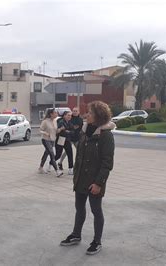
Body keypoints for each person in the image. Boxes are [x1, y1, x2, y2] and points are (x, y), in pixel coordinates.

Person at [60, 101, 115, 256]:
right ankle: (76, 235)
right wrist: (75, 175)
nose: (86, 115)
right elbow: (79, 156)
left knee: (96, 211)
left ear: (98, 116)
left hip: (95, 181)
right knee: (79, 208)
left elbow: (107, 163)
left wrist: (98, 183)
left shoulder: (106, 136)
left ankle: (97, 241)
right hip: (81, 179)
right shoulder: (85, 131)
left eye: (90, 113)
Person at [38, 108, 63, 176]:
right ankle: (57, 170)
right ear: (51, 114)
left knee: (46, 153)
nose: (56, 114)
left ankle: (40, 168)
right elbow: (40, 130)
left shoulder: (55, 121)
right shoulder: (45, 121)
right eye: (55, 113)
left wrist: (60, 129)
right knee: (52, 153)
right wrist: (45, 133)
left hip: (52, 140)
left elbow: (55, 131)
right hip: (45, 140)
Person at [58, 107, 84, 172]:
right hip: (69, 138)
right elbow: (68, 126)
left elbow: (80, 128)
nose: (74, 112)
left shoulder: (80, 119)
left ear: (79, 112)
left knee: (79, 151)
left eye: (76, 111)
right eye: (73, 111)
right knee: (67, 152)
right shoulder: (69, 117)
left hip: (77, 137)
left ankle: (76, 165)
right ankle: (60, 163)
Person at [53, 111, 74, 176]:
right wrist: (67, 131)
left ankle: (70, 169)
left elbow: (73, 132)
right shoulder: (61, 122)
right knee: (58, 155)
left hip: (67, 140)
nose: (69, 117)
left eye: (70, 115)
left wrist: (68, 132)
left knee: (70, 154)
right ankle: (51, 163)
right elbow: (61, 131)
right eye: (68, 115)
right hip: (61, 139)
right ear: (64, 116)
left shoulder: (70, 123)